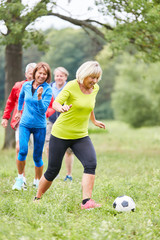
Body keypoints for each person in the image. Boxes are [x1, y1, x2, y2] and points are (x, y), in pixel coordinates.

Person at [35, 61, 106, 210]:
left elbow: (89, 106)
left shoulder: (95, 88)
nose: (94, 81)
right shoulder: (72, 86)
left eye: (97, 78)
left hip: (80, 135)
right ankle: (37, 197)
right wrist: (62, 108)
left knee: (91, 163)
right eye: (91, 77)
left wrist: (93, 120)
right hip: (61, 134)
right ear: (84, 74)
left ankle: (86, 202)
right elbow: (55, 104)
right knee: (53, 170)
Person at [13, 62, 52, 190]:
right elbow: (21, 97)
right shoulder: (26, 85)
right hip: (25, 124)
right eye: (39, 73)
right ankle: (20, 179)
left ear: (47, 76)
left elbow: (42, 110)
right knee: (22, 150)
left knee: (37, 156)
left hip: (40, 126)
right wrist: (19, 111)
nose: (41, 76)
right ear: (35, 73)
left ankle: (37, 182)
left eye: (44, 74)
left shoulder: (48, 89)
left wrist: (40, 97)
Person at [1, 63, 37, 186]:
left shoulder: (43, 87)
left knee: (37, 152)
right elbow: (10, 102)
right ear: (26, 74)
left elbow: (50, 104)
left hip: (37, 123)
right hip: (21, 122)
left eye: (35, 73)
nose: (33, 76)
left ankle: (37, 180)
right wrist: (5, 117)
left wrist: (46, 114)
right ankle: (21, 178)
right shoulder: (18, 86)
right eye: (30, 74)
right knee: (20, 148)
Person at [45, 67, 74, 181]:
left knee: (68, 149)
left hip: (67, 121)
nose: (59, 78)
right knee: (48, 146)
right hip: (51, 121)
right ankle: (53, 172)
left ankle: (69, 174)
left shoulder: (70, 87)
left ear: (65, 77)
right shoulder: (49, 87)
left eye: (61, 76)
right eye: (57, 75)